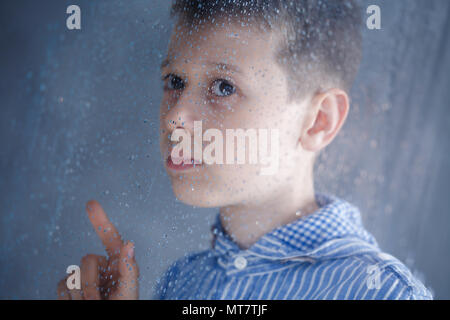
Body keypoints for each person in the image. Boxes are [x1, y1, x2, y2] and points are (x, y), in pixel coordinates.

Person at [57, 0, 433, 300]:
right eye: (175, 81)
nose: (175, 117)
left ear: (319, 120)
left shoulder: (381, 294)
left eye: (223, 87)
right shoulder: (182, 282)